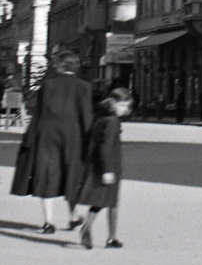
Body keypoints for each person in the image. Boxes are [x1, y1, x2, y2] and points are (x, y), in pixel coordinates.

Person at [11, 48, 94, 233]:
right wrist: (90, 141)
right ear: (76, 67)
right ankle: (73, 216)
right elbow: (87, 116)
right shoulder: (84, 87)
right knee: (71, 174)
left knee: (47, 174)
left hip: (47, 135)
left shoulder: (47, 85)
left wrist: (29, 138)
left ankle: (48, 222)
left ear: (59, 66)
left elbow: (38, 114)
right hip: (74, 136)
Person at [75, 84, 131, 249]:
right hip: (109, 167)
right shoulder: (113, 122)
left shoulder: (101, 118)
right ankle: (110, 236)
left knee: (101, 200)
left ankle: (93, 228)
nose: (124, 109)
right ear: (112, 103)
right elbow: (105, 147)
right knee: (112, 203)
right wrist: (107, 170)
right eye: (121, 105)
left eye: (126, 106)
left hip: (99, 165)